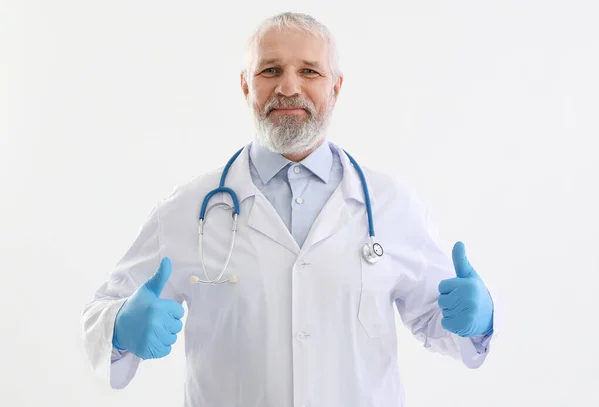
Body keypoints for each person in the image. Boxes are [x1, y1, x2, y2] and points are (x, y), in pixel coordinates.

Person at [81, 11, 497, 407]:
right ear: (246, 86)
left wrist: (477, 319)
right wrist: (119, 328)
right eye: (270, 70)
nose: (288, 87)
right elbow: (99, 315)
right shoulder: (186, 209)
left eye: (310, 71)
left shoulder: (390, 204)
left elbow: (443, 324)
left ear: (335, 87)